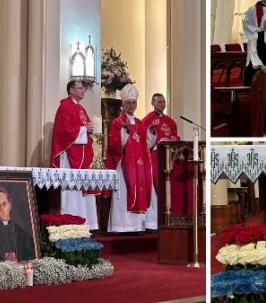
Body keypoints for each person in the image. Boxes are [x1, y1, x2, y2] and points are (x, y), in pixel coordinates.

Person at [106, 84, 157, 233]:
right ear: (123, 104)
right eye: (128, 102)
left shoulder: (140, 124)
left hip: (139, 168)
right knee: (124, 194)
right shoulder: (117, 122)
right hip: (125, 167)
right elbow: (115, 145)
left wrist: (152, 133)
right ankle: (122, 226)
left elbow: (147, 144)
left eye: (134, 102)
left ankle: (140, 225)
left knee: (145, 190)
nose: (131, 105)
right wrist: (125, 130)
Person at [50, 80, 98, 230]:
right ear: (71, 90)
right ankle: (69, 221)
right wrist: (84, 129)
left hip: (83, 155)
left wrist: (88, 129)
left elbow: (83, 128)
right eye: (80, 88)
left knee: (82, 189)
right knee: (72, 190)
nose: (83, 90)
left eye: (83, 88)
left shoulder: (81, 108)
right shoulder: (64, 107)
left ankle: (87, 222)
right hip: (69, 157)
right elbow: (64, 131)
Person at [0, 188, 35, 262]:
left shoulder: (24, 235)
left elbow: (31, 258)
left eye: (4, 204)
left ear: (10, 205)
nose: (2, 208)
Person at [141, 93, 179, 190]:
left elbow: (175, 137)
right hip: (154, 156)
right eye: (159, 102)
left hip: (170, 156)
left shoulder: (171, 121)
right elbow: (143, 140)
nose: (162, 104)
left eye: (163, 102)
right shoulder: (147, 120)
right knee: (157, 182)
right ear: (152, 103)